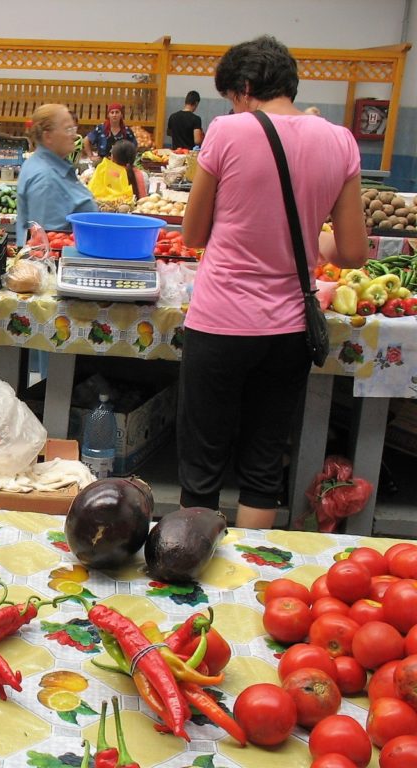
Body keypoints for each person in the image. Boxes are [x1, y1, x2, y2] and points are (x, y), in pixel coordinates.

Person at [178, 35, 368, 529]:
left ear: (243, 88)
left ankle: (186, 573)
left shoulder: (227, 131)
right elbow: (351, 252)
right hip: (288, 330)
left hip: (220, 321)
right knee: (263, 467)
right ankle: (245, 583)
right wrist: (310, 242)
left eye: (232, 97)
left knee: (202, 465)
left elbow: (193, 235)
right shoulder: (340, 140)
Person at [15, 104, 97, 246]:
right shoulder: (46, 180)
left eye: (74, 128)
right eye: (68, 129)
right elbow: (48, 245)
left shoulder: (49, 164)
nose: (74, 135)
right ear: (48, 136)